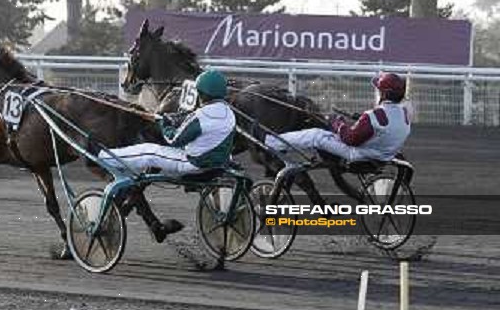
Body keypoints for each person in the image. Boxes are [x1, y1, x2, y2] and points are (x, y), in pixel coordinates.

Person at [97, 69, 236, 242]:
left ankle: (104, 156)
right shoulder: (229, 113)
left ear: (202, 94)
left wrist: (164, 123)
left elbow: (173, 139)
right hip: (219, 164)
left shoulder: (201, 115)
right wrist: (176, 120)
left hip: (193, 165)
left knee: (150, 151)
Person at [262, 72, 411, 163]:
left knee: (316, 135)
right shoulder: (404, 114)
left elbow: (350, 139)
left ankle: (270, 142)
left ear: (384, 94)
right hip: (385, 154)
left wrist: (339, 123)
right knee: (325, 134)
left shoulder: (373, 115)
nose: (378, 92)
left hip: (359, 154)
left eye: (379, 90)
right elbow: (384, 126)